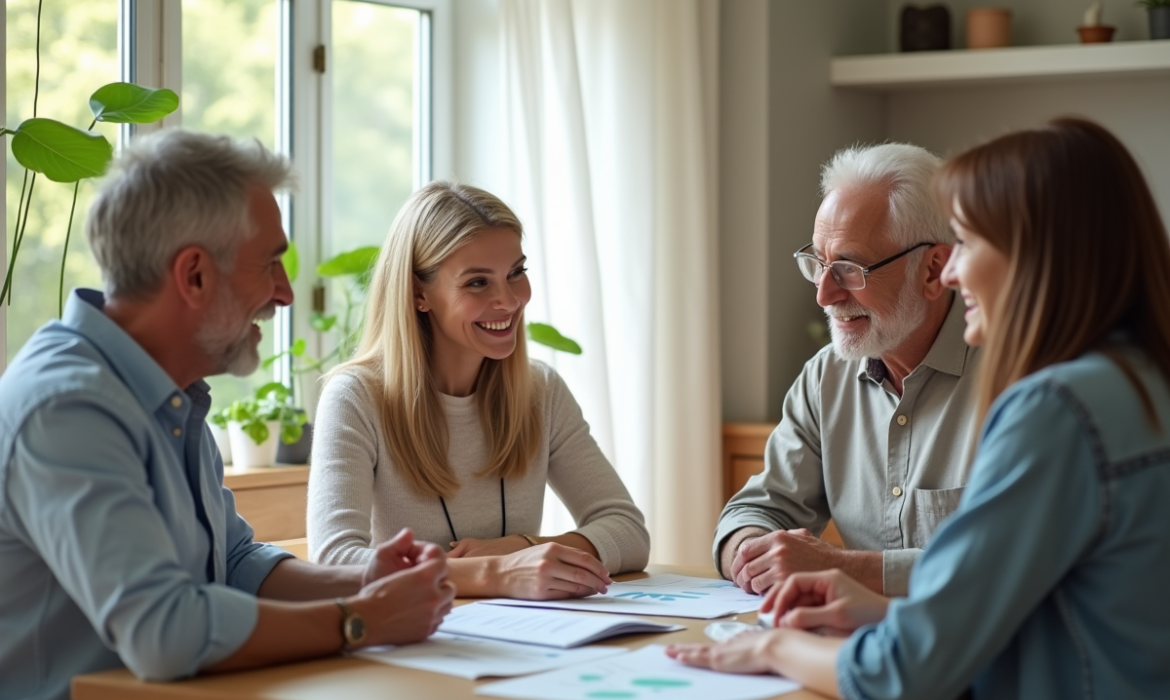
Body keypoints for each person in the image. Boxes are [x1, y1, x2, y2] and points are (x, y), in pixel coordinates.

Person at [669, 117, 1170, 699]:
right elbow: (1040, 614)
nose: (957, 271)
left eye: (971, 244)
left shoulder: (1053, 407)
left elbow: (909, 671)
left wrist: (774, 646)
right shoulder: (1138, 383)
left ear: (1039, 258)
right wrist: (875, 611)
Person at [0, 130, 456, 700]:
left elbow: (234, 563)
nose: (286, 293)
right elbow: (164, 631)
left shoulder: (168, 390)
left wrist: (365, 580)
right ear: (193, 275)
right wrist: (360, 621)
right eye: (271, 264)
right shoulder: (67, 407)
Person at [307, 181, 650, 600]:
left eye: (516, 273)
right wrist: (495, 572)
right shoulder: (355, 397)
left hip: (525, 636)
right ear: (419, 294)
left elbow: (628, 531)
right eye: (477, 283)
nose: (508, 300)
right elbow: (335, 560)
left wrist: (523, 547)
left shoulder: (541, 390)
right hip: (413, 642)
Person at [715, 144, 979, 597]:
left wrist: (843, 568)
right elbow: (759, 509)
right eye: (818, 263)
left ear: (933, 269)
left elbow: (1008, 563)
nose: (823, 295)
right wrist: (755, 551)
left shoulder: (1018, 376)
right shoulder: (826, 378)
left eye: (849, 268)